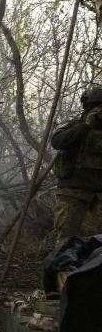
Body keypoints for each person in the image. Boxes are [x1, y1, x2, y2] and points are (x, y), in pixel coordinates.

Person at [51, 84, 102, 244]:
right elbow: (57, 141)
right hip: (72, 191)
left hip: (99, 192)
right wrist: (85, 126)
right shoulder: (76, 126)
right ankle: (63, 269)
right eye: (96, 107)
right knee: (65, 242)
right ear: (87, 107)